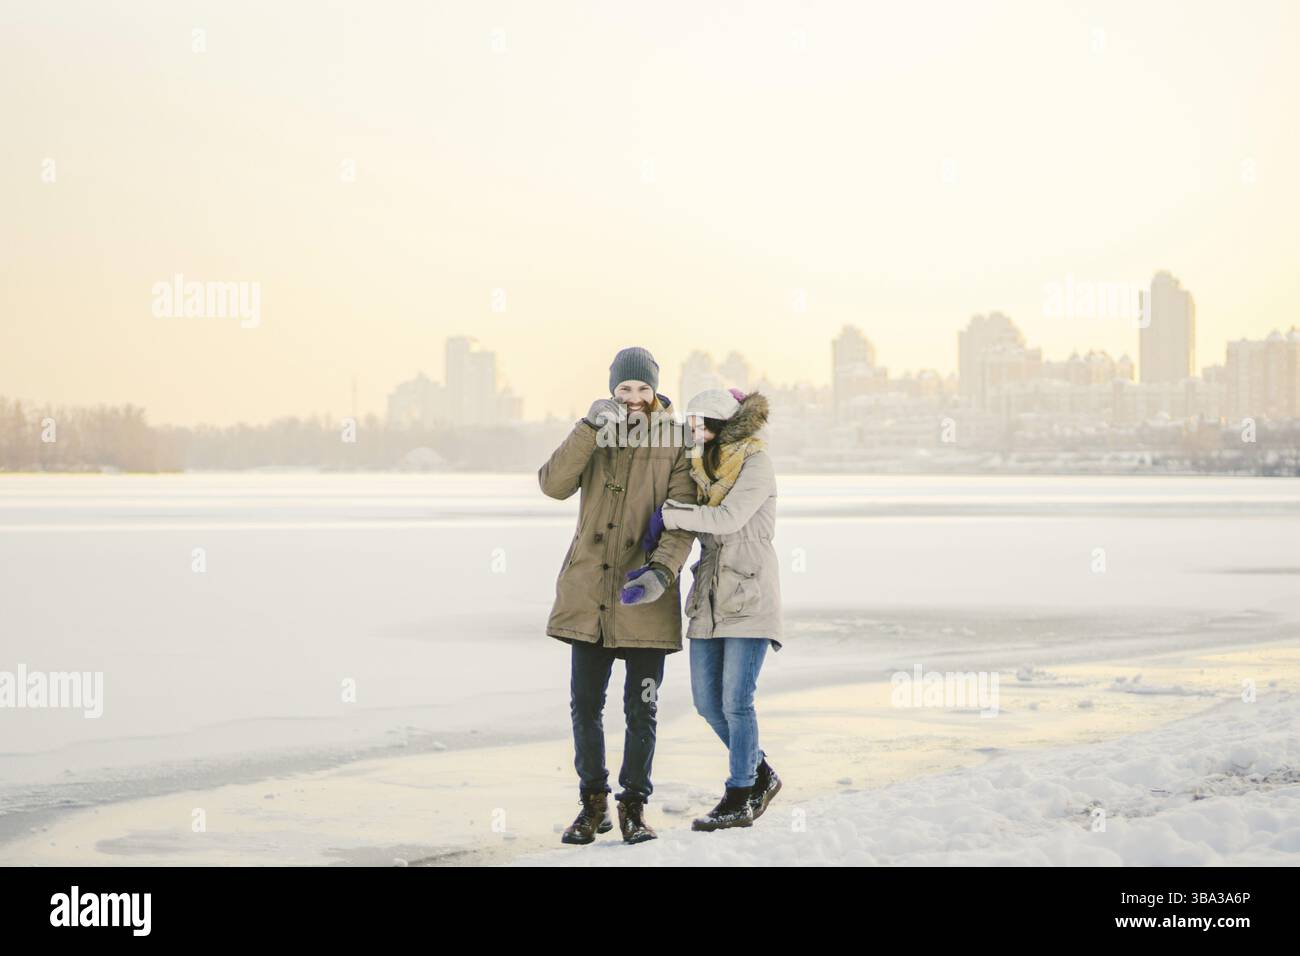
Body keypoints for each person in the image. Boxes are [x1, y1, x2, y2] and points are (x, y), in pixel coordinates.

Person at [538, 346, 695, 845]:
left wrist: (661, 572)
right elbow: (552, 484)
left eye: (641, 389)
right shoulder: (594, 435)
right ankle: (592, 804)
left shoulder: (675, 440)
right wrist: (587, 428)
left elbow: (682, 516)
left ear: (655, 393)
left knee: (640, 708)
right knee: (584, 705)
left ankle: (633, 805)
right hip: (590, 598)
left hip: (644, 599)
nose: (632, 398)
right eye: (623, 389)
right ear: (611, 391)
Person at [653, 387, 783, 831]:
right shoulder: (698, 463)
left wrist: (673, 515)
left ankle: (740, 794)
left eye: (705, 424)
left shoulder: (755, 462)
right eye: (693, 424)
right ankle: (761, 772)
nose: (698, 432)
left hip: (749, 591)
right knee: (707, 703)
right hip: (709, 592)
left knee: (737, 702)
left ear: (725, 425)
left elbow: (727, 519)